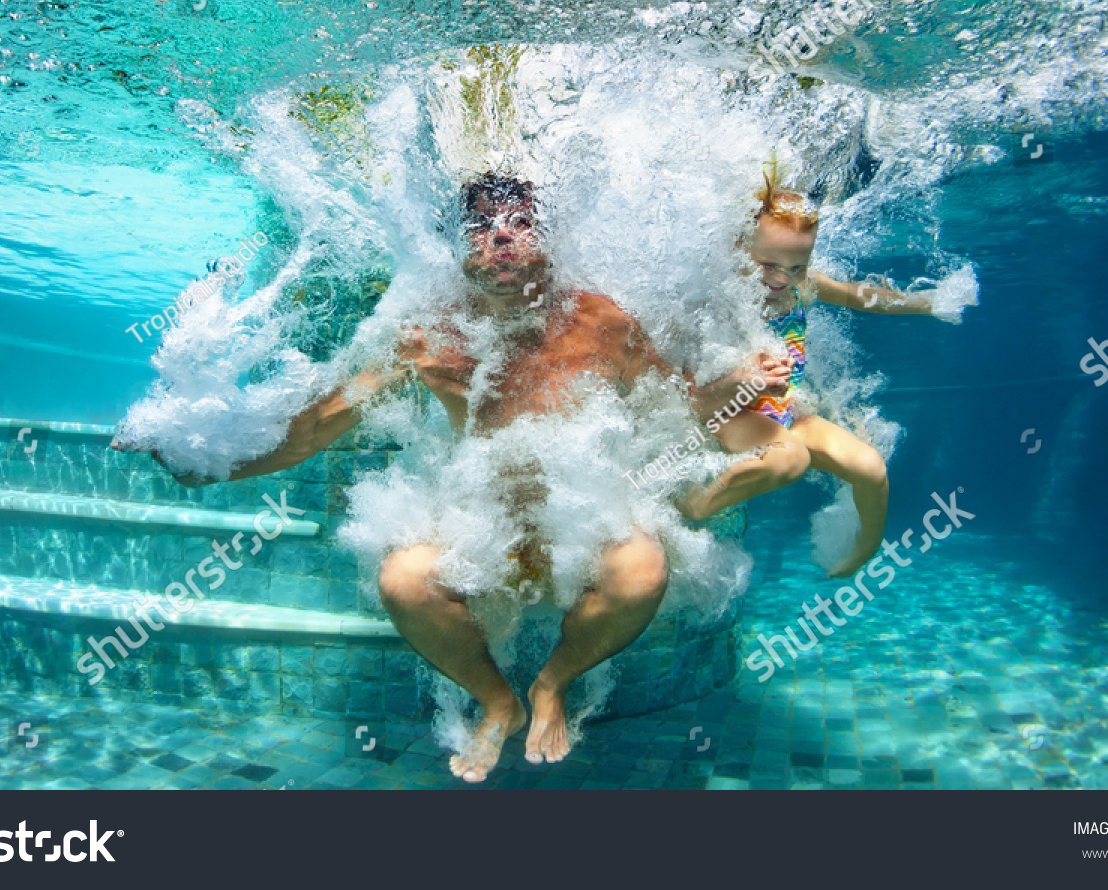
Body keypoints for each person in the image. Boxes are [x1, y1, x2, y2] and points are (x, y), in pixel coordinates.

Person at [115, 173, 748, 782]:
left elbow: (682, 402)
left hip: (579, 524)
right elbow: (316, 426)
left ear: (549, 240)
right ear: (455, 246)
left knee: (643, 572)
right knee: (404, 580)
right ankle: (498, 701)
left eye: (522, 223)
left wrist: (758, 405)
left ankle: (552, 683)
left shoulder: (599, 322)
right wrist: (218, 466)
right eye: (482, 227)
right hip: (478, 524)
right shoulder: (427, 334)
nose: (502, 237)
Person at [676, 172, 970, 577]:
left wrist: (925, 304)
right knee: (791, 460)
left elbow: (862, 297)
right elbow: (687, 393)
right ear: (739, 247)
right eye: (768, 265)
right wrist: (744, 379)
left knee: (871, 469)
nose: (781, 278)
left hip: (782, 413)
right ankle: (696, 503)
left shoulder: (803, 288)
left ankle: (861, 553)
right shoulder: (719, 301)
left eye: (797, 266)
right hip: (731, 416)